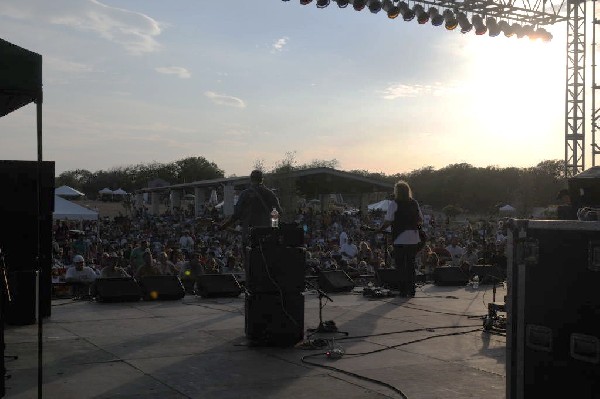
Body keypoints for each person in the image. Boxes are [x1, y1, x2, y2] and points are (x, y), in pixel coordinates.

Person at [378, 180, 423, 297]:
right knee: (411, 265)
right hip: (413, 237)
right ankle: (412, 290)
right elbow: (420, 220)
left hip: (400, 237)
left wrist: (379, 229)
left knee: (400, 265)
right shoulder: (414, 203)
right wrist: (416, 229)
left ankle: (403, 291)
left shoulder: (394, 203)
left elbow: (388, 221)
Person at [219, 169, 282, 251]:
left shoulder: (245, 194)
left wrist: (223, 226)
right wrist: (273, 228)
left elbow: (236, 215)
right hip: (268, 236)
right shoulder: (270, 194)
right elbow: (277, 213)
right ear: (262, 179)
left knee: (250, 260)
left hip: (250, 236)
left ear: (251, 179)